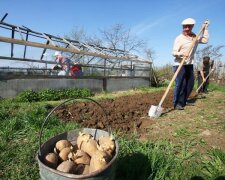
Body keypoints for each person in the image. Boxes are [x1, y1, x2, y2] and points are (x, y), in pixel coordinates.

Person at [172, 18, 209, 110]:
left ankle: (183, 101)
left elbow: (205, 40)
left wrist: (205, 29)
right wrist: (181, 54)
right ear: (183, 27)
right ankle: (177, 103)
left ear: (192, 27)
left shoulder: (194, 37)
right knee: (181, 84)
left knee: (190, 84)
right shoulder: (179, 38)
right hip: (179, 64)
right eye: (185, 27)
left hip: (189, 64)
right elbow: (174, 52)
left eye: (189, 26)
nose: (187, 28)